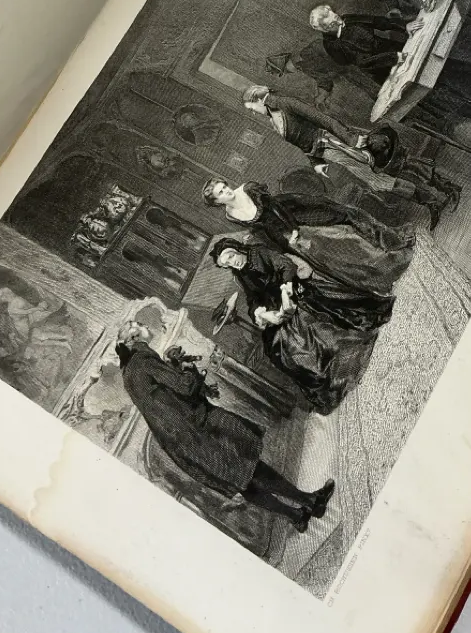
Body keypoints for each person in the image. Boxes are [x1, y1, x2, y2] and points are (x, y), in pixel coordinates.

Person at [116, 321, 334, 532]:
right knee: (249, 464)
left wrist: (174, 366)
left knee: (240, 481)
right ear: (133, 338)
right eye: (139, 324)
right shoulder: (143, 359)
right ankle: (310, 501)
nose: (146, 325)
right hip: (199, 427)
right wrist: (189, 369)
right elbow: (185, 387)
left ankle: (295, 516)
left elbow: (163, 399)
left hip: (184, 444)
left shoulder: (128, 374)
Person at [211, 238, 392, 414]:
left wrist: (285, 291)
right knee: (273, 346)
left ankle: (340, 363)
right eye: (227, 264)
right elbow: (253, 299)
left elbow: (287, 266)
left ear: (237, 250)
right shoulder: (240, 274)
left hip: (295, 292)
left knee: (300, 329)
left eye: (231, 257)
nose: (232, 263)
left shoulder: (258, 252)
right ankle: (323, 378)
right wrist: (261, 313)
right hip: (277, 306)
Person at [242, 84, 460, 228]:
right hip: (331, 152)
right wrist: (315, 162)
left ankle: (446, 189)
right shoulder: (273, 118)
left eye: (251, 108)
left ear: (259, 99)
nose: (253, 112)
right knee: (380, 179)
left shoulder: (285, 103)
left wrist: (350, 138)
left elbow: (323, 119)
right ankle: (433, 201)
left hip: (339, 141)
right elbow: (302, 143)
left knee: (392, 164)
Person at [202, 179, 414, 296]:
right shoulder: (230, 215)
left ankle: (391, 246)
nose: (227, 191)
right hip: (280, 233)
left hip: (293, 212)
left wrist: (294, 229)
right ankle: (374, 280)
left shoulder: (249, 189)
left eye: (224, 187)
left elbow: (276, 208)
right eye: (221, 193)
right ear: (218, 202)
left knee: (344, 221)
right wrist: (284, 245)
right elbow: (260, 229)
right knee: (323, 258)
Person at [308, 5, 409, 87]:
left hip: (393, 47)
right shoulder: (333, 45)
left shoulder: (348, 19)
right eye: (333, 22)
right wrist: (394, 57)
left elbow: (377, 22)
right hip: (382, 69)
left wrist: (404, 27)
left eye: (334, 13)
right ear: (327, 28)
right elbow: (362, 62)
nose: (336, 16)